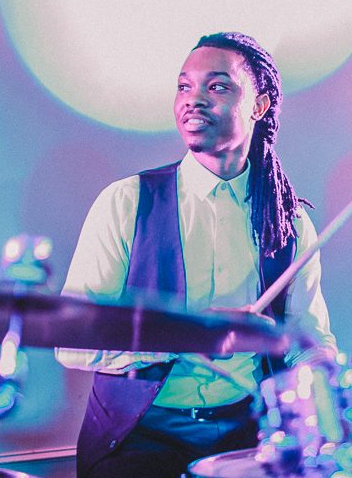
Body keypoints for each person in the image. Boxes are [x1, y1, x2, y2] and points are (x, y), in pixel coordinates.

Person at [55, 32, 337, 477]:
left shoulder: (288, 222)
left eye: (217, 86)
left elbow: (310, 343)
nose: (193, 99)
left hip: (249, 435)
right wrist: (187, 335)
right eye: (184, 86)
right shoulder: (126, 202)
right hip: (137, 437)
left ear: (259, 106)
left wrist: (309, 367)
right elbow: (71, 342)